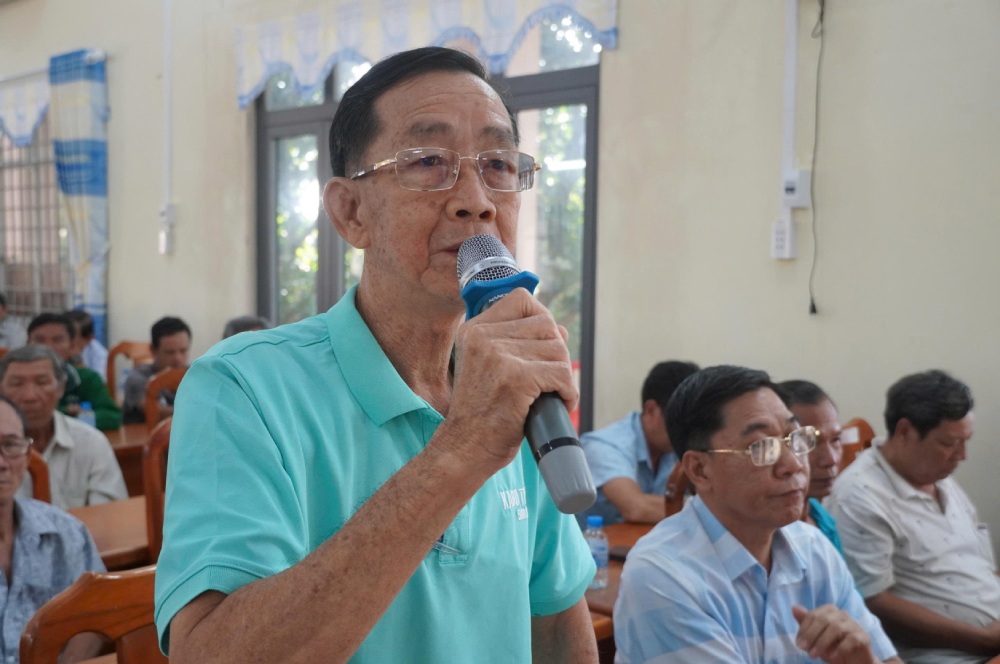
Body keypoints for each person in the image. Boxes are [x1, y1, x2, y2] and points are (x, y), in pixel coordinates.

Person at [154, 47, 596, 663]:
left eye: (497, 164)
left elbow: (554, 625)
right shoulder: (242, 388)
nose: (477, 199)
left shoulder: (513, 391)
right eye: (428, 162)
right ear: (350, 211)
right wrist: (461, 449)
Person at [614, 365, 899, 663]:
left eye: (795, 438)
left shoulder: (813, 549)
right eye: (761, 447)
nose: (794, 464)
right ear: (700, 469)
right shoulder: (663, 576)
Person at [827, 370, 1000, 663]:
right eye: (948, 443)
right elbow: (872, 602)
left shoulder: (939, 477)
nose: (962, 456)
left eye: (965, 441)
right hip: (955, 655)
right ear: (905, 431)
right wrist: (983, 640)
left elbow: (977, 565)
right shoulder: (860, 496)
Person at [0, 394, 105, 662]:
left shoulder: (65, 533)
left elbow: (97, 612)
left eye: (10, 445)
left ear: (26, 454)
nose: (2, 463)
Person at [1, 345, 126, 510]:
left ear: (60, 388)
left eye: (42, 382)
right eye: (17, 384)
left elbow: (111, 515)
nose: (29, 396)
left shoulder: (91, 443)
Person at [579, 360, 699, 525]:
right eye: (680, 422)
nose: (686, 432)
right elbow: (636, 508)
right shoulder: (604, 445)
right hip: (596, 547)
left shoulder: (673, 446)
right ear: (651, 410)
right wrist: (711, 511)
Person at [777, 379, 845, 554]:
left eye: (836, 440)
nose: (830, 459)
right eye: (809, 442)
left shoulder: (820, 516)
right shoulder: (766, 533)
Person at [27, 313, 121, 430]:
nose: (48, 347)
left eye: (57, 340)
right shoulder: (13, 379)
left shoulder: (87, 378)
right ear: (27, 344)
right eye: (39, 340)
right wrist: (68, 410)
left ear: (72, 346)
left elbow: (112, 417)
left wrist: (62, 419)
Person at [122, 316, 191, 424]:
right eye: (170, 352)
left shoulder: (195, 375)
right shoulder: (137, 378)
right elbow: (154, 410)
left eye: (183, 351)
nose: (178, 358)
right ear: (153, 350)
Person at [65, 309, 109, 382]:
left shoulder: (99, 353)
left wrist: (77, 359)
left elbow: (99, 383)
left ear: (89, 338)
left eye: (71, 335)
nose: (66, 340)